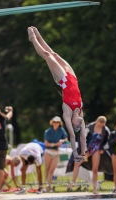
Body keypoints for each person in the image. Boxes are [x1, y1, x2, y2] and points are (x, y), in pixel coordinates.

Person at [27, 26, 86, 162]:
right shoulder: (80, 112)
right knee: (54, 54)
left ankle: (32, 38)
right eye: (79, 126)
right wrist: (83, 152)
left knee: (47, 55)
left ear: (72, 122)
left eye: (76, 125)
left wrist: (75, 154)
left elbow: (72, 136)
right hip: (73, 76)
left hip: (64, 80)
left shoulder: (67, 112)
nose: (79, 124)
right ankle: (38, 34)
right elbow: (82, 136)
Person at [66, 116, 111, 194]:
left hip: (97, 148)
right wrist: (85, 150)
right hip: (87, 147)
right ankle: (72, 183)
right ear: (96, 121)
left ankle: (94, 189)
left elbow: (108, 141)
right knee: (76, 163)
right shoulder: (89, 127)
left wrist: (103, 148)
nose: (101, 126)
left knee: (95, 169)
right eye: (99, 124)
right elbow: (82, 138)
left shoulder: (106, 130)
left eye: (102, 125)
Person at [44, 116, 68, 192]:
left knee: (51, 171)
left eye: (57, 122)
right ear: (52, 122)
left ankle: (48, 187)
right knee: (47, 170)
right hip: (48, 152)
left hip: (56, 153)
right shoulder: (47, 131)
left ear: (59, 123)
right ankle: (48, 187)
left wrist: (62, 141)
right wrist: (55, 144)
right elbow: (46, 143)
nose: (55, 123)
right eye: (54, 122)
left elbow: (66, 139)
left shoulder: (61, 130)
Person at [0, 106, 13, 196]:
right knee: (0, 170)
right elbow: (9, 115)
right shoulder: (3, 119)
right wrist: (11, 110)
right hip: (4, 147)